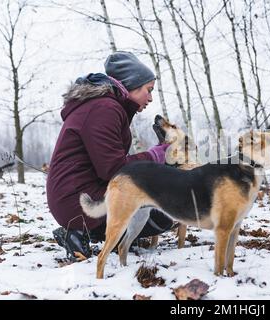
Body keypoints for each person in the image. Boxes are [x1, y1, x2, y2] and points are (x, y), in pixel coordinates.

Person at [47, 51, 175, 260]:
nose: (151, 98)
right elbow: (113, 169)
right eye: (148, 90)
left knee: (159, 211)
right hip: (78, 200)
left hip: (76, 195)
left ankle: (88, 232)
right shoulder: (104, 108)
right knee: (162, 214)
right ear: (133, 84)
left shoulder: (106, 106)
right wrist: (154, 157)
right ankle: (80, 230)